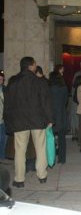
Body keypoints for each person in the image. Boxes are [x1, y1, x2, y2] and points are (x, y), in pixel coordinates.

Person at [4, 57, 53, 188]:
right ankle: (42, 175)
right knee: (40, 149)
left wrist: (8, 120)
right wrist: (49, 119)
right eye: (35, 64)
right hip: (37, 120)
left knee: (20, 150)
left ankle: (19, 179)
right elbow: (45, 102)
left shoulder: (12, 82)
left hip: (19, 121)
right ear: (31, 66)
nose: (36, 66)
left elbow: (7, 104)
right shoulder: (39, 82)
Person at [48, 65, 68, 164]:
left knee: (50, 137)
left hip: (51, 115)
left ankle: (51, 157)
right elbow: (65, 102)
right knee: (62, 138)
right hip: (61, 114)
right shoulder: (64, 88)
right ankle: (62, 159)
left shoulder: (49, 88)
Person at [0, 73, 6, 160]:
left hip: (4, 119)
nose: (0, 80)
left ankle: (2, 157)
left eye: (1, 79)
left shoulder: (5, 89)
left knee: (3, 139)